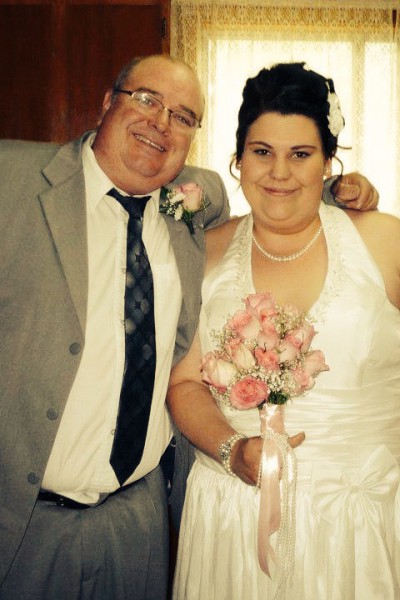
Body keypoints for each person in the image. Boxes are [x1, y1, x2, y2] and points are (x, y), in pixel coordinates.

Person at [0, 52, 377, 600]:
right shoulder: (11, 180)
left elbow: (277, 188)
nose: (160, 123)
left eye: (183, 116)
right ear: (106, 103)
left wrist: (335, 189)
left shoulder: (197, 201)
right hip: (22, 518)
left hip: (139, 519)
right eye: (146, 99)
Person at [167, 62, 400, 600]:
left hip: (361, 520)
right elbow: (184, 383)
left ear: (329, 163)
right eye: (261, 151)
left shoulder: (383, 241)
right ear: (238, 158)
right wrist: (232, 451)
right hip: (233, 513)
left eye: (300, 154)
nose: (278, 172)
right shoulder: (204, 252)